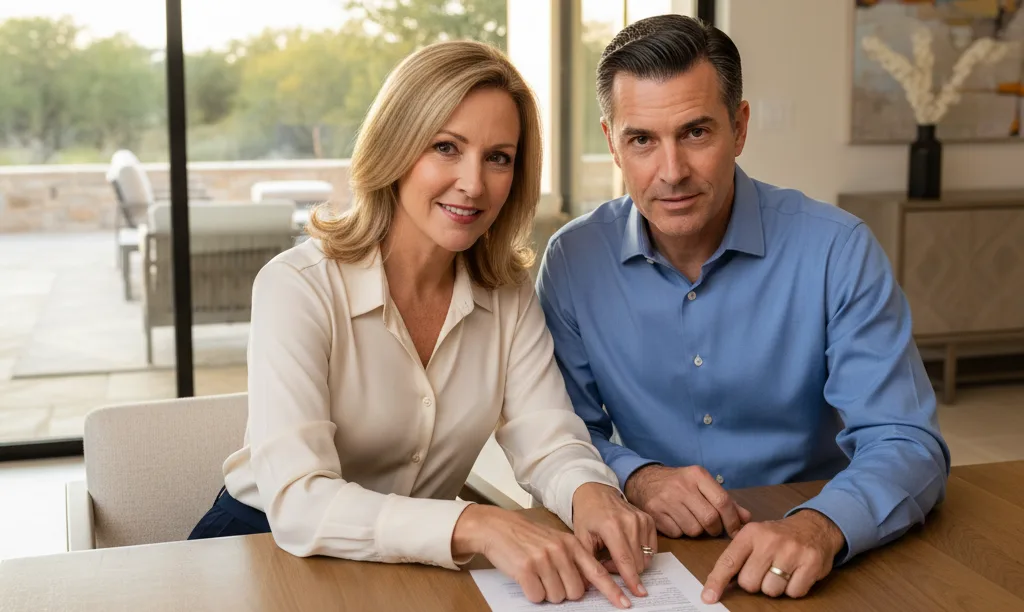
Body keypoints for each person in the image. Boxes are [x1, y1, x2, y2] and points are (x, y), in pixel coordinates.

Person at [188, 40, 656, 610]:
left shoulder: (506, 295)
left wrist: (591, 493)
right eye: (445, 147)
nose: (473, 183)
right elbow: (301, 502)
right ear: (396, 146)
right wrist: (477, 524)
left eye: (498, 157)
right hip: (265, 552)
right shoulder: (298, 286)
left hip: (411, 571)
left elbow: (548, 438)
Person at [536, 14, 950, 605]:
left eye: (696, 133)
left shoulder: (836, 248)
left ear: (740, 126)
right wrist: (638, 476)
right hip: (656, 554)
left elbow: (906, 440)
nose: (672, 171)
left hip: (809, 547)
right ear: (611, 142)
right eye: (642, 140)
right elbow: (558, 430)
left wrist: (820, 525)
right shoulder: (573, 259)